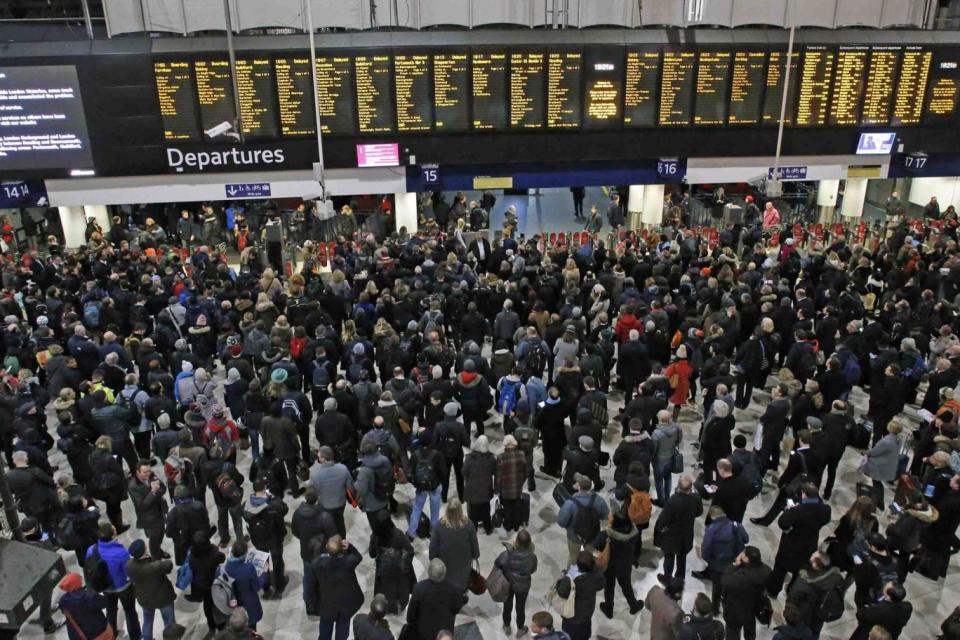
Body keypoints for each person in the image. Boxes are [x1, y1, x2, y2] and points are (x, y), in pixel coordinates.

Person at [766, 483, 832, 597]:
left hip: (791, 544)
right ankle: (791, 591)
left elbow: (782, 523)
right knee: (800, 571)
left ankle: (773, 590)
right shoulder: (825, 509)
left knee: (780, 568)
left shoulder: (797, 511)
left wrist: (789, 511)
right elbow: (825, 520)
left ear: (804, 494)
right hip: (809, 545)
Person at [86, 523, 141, 640]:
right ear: (112, 536)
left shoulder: (91, 550)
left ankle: (112, 634)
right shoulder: (121, 553)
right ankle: (135, 636)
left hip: (105, 587)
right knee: (130, 611)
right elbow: (127, 572)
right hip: (123, 587)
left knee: (111, 610)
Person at [291, 486, 338, 614]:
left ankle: (310, 604)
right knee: (324, 578)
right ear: (317, 498)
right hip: (322, 553)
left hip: (306, 552)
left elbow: (294, 531)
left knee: (308, 579)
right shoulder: (324, 516)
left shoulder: (297, 513)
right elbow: (333, 535)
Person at [695, 506, 749, 613]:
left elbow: (706, 548)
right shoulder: (736, 525)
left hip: (717, 565)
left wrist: (709, 561)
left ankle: (715, 609)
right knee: (730, 585)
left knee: (717, 588)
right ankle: (727, 604)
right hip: (734, 563)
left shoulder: (711, 529)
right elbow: (746, 539)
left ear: (712, 517)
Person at [310, 535, 364, 640]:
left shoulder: (317, 564)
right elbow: (358, 557)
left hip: (327, 603)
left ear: (327, 547)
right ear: (341, 550)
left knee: (325, 628)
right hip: (345, 604)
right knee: (342, 629)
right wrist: (350, 547)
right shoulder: (347, 562)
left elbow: (313, 584)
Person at [242, 478, 289, 597]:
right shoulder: (273, 504)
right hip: (274, 538)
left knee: (262, 563)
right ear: (264, 489)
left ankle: (266, 586)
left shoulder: (245, 505)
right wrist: (272, 497)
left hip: (258, 539)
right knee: (277, 562)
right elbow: (284, 509)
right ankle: (279, 584)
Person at [125, 538, 177, 640]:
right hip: (163, 597)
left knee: (147, 621)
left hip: (145, 598)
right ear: (144, 550)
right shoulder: (154, 566)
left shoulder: (129, 565)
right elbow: (169, 565)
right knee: (169, 622)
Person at [656, 475, 703, 582]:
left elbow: (664, 519)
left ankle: (667, 578)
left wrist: (661, 528)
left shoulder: (673, 500)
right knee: (682, 559)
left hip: (671, 536)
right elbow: (699, 512)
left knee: (669, 558)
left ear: (678, 486)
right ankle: (679, 580)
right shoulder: (696, 498)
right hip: (686, 535)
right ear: (691, 487)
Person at [596, 510, 644, 618]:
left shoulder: (606, 535)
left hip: (610, 567)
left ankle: (609, 609)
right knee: (626, 586)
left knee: (609, 587)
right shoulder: (634, 534)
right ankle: (633, 605)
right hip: (625, 565)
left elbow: (596, 546)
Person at [784, 551, 843, 637]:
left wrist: (790, 617)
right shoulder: (836, 577)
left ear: (815, 565)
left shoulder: (804, 579)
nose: (811, 555)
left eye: (813, 556)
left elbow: (792, 599)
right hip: (818, 620)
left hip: (801, 618)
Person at [405, 559, 467, 640]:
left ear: (429, 572)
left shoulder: (419, 589)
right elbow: (456, 609)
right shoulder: (454, 588)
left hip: (424, 632)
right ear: (444, 572)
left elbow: (410, 616)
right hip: (445, 631)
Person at [428, 498, 480, 594]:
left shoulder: (439, 525)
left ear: (447, 510)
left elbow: (433, 547)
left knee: (447, 580)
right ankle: (461, 595)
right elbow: (474, 543)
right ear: (460, 510)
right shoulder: (469, 524)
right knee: (462, 579)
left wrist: (433, 558)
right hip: (464, 561)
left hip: (445, 561)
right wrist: (476, 555)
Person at [557, 474, 610, 567]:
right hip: (592, 536)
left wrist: (569, 527)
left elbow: (561, 521)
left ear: (578, 486)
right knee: (590, 557)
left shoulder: (570, 503)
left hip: (574, 537)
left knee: (574, 557)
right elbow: (606, 517)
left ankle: (572, 576)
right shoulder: (599, 500)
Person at [720, 546, 771, 640]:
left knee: (732, 632)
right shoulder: (767, 570)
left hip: (735, 611)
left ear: (746, 558)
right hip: (753, 608)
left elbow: (725, 580)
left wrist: (735, 564)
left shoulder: (741, 578)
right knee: (750, 632)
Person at [495, 529, 539, 636]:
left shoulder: (506, 555)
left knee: (507, 605)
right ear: (529, 544)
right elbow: (533, 570)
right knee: (520, 608)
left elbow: (497, 564)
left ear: (516, 542)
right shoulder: (532, 558)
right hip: (523, 587)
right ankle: (520, 630)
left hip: (508, 585)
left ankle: (506, 626)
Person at [553, 551, 604, 640]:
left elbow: (561, 591)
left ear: (578, 566)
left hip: (572, 614)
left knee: (570, 635)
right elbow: (601, 584)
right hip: (587, 611)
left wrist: (565, 576)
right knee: (585, 633)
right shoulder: (597, 575)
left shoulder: (574, 580)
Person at [128, 459, 170, 560]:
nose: (148, 474)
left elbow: (163, 488)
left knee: (160, 534)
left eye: (149, 471)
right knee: (154, 540)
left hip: (160, 511)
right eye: (145, 472)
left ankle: (158, 551)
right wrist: (153, 492)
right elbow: (142, 506)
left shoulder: (152, 475)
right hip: (149, 519)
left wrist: (157, 491)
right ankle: (156, 558)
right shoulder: (133, 486)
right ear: (138, 472)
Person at [406, 437, 446, 540]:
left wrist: (415, 483)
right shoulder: (437, 454)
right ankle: (432, 532)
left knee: (417, 509)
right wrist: (438, 481)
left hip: (421, 487)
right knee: (435, 511)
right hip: (434, 486)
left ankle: (411, 533)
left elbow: (409, 472)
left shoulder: (415, 454)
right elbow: (444, 472)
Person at [309, 445, 354, 537]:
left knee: (328, 524)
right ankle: (343, 542)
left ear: (323, 459)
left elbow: (313, 492)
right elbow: (350, 486)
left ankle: (332, 544)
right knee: (340, 521)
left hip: (325, 505)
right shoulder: (343, 468)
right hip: (341, 502)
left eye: (319, 457)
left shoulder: (315, 474)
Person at [187, 530, 226, 635]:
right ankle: (221, 624)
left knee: (207, 605)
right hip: (214, 583)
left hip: (201, 585)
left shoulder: (192, 556)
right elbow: (222, 558)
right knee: (218, 603)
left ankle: (211, 625)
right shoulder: (213, 552)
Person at [222, 540, 264, 631]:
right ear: (245, 554)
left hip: (235, 605)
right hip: (249, 604)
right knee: (252, 628)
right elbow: (256, 586)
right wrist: (264, 574)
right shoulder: (248, 568)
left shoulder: (226, 567)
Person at [861, 420, 902, 508]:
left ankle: (876, 503)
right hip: (889, 463)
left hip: (880, 465)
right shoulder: (898, 439)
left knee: (877, 483)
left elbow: (875, 451)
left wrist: (866, 452)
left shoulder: (886, 441)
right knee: (878, 483)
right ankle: (880, 502)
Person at [58, 572, 111, 640]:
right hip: (97, 632)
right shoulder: (90, 596)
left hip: (78, 636)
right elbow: (105, 602)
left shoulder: (63, 601)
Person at [462, 435, 498, 534]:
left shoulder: (469, 458)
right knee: (486, 510)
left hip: (472, 490)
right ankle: (488, 528)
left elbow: (463, 472)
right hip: (485, 490)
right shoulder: (491, 458)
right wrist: (496, 488)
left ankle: (474, 529)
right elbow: (496, 473)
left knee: (472, 512)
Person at [497, 435, 528, 531]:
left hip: (505, 489)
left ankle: (508, 525)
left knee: (507, 508)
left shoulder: (501, 457)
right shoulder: (522, 455)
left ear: (505, 445)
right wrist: (521, 482)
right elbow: (526, 472)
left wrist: (497, 489)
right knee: (517, 506)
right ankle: (516, 525)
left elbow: (498, 476)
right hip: (517, 487)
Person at [652, 410, 682, 503]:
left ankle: (661, 500)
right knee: (668, 477)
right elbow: (679, 440)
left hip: (659, 460)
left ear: (660, 419)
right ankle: (667, 497)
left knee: (659, 481)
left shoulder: (656, 433)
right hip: (671, 456)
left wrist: (651, 459)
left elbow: (653, 449)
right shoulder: (677, 428)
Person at [646, 575, 684, 640]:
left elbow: (647, 605)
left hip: (653, 633)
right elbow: (678, 632)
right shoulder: (676, 613)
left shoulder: (654, 590)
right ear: (677, 594)